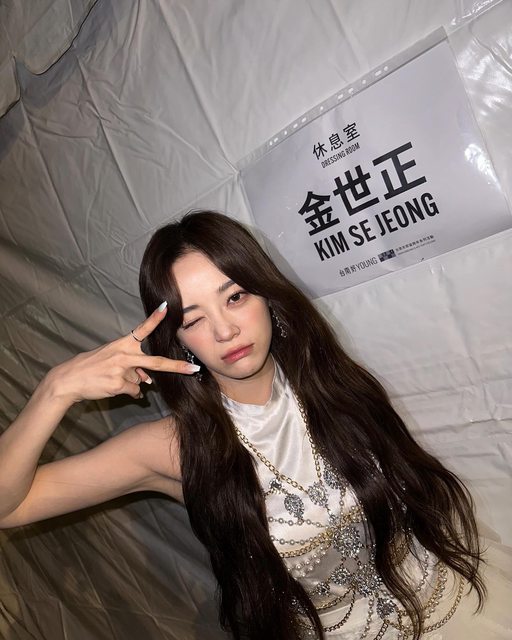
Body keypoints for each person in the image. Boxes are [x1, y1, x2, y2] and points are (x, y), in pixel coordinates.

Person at [0, 211, 510, 640]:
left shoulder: (333, 381)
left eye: (235, 297)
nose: (225, 330)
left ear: (268, 297)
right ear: (178, 341)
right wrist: (55, 390)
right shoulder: (173, 449)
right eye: (193, 319)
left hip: (460, 606)